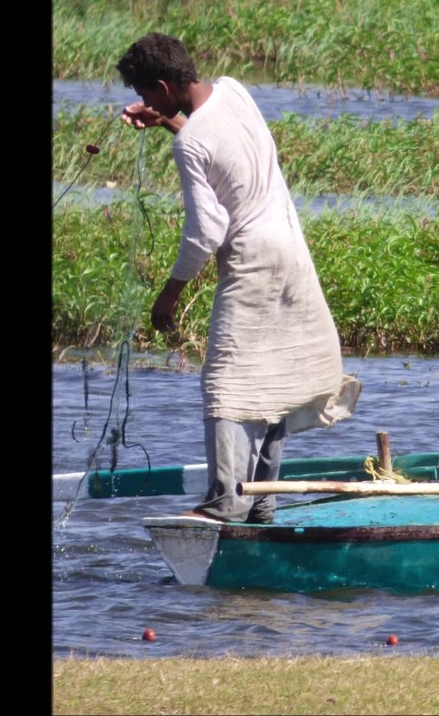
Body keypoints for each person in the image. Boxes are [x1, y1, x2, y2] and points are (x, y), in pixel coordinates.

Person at [116, 33, 359, 523]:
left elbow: (208, 229)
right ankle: (262, 503)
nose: (143, 103)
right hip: (291, 248)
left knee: (227, 381)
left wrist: (170, 292)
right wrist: (168, 121)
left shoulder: (189, 144)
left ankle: (227, 502)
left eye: (147, 95)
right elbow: (218, 147)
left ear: (163, 85)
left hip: (252, 259)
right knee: (274, 376)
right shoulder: (234, 89)